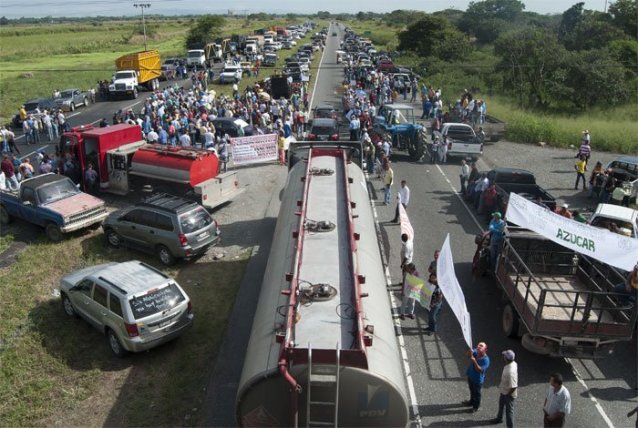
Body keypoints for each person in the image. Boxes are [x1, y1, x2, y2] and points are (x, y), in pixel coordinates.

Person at [491, 350, 518, 427]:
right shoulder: (514, 363)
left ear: (506, 358)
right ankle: (499, 418)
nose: (503, 357)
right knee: (501, 405)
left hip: (508, 393)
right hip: (504, 390)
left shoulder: (510, 372)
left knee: (509, 412)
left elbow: (514, 386)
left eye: (504, 356)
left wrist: (508, 394)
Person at [464, 342, 490, 412]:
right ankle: (471, 401)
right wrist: (469, 352)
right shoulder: (476, 352)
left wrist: (474, 361)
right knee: (472, 390)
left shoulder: (486, 360)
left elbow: (479, 370)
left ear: (485, 349)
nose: (478, 347)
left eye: (481, 346)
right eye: (478, 345)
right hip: (471, 376)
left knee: (477, 393)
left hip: (477, 380)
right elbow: (468, 355)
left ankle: (476, 407)